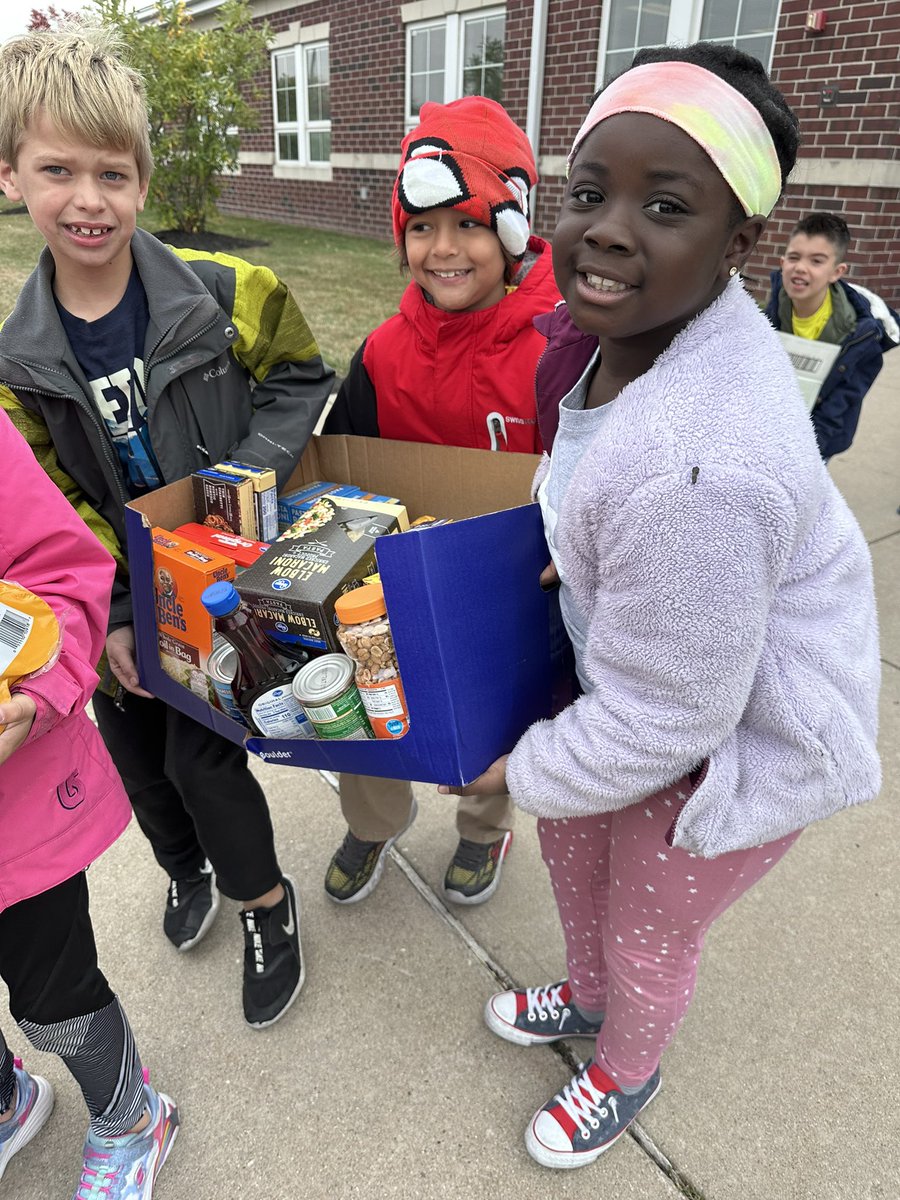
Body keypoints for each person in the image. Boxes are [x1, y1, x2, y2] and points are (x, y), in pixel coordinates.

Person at [440, 44, 881, 1170]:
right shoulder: (618, 343)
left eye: (666, 206)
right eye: (590, 193)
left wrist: (510, 772)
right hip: (648, 685)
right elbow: (600, 493)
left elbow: (669, 720)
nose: (610, 228)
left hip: (734, 742)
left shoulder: (706, 460)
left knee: (647, 925)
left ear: (740, 245)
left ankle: (625, 1065)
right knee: (575, 858)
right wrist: (582, 560)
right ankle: (585, 997)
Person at [0, 27, 334, 1030]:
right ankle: (184, 870)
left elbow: (304, 381)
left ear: (144, 178)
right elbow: (49, 508)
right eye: (57, 170)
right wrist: (106, 619)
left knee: (205, 757)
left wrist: (244, 476)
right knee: (138, 751)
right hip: (116, 591)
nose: (88, 199)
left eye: (112, 172)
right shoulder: (17, 364)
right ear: (12, 176)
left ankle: (265, 905)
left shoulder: (232, 292)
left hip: (224, 575)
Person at [322, 95, 560, 907]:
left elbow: (588, 475)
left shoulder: (558, 350)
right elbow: (341, 464)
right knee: (364, 698)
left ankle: (484, 832)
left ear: (514, 228)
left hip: (510, 591)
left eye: (467, 224)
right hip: (394, 576)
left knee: (503, 718)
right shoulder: (383, 352)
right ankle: (372, 821)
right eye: (421, 228)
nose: (443, 249)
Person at [0, 410, 178, 1198]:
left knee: (53, 995)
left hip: (13, 815)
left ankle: (132, 1117)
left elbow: (61, 569)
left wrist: (37, 695)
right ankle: (9, 1099)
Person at [765, 211, 899, 460]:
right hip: (769, 428)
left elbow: (842, 404)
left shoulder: (861, 337)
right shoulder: (770, 313)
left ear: (837, 272)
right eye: (794, 257)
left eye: (817, 261)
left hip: (815, 442)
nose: (801, 268)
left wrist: (807, 452)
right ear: (783, 263)